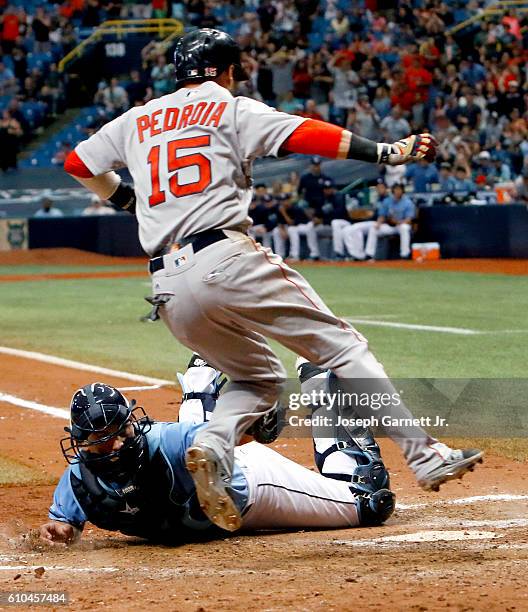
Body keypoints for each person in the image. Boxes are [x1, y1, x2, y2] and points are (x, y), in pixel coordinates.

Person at [63, 28, 482, 532]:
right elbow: (306, 134)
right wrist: (389, 152)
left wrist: (127, 200)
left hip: (166, 284)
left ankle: (213, 444)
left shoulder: (138, 118)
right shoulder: (230, 107)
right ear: (226, 69)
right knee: (343, 348)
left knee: (258, 379)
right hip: (225, 255)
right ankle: (424, 453)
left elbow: (77, 163)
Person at [39, 360, 395, 544]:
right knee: (194, 458)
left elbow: (223, 436)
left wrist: (255, 425)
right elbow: (60, 525)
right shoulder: (79, 481)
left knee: (370, 505)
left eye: (121, 432)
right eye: (102, 439)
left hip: (253, 487)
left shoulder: (166, 440)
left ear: (132, 423)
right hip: (203, 491)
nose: (115, 444)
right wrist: (57, 533)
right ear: (82, 441)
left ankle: (325, 398)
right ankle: (201, 379)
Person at [364, 183, 414, 260]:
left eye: (399, 189)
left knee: (404, 228)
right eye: (396, 189)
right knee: (374, 228)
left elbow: (409, 219)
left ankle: (405, 254)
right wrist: (378, 223)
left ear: (402, 191)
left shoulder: (408, 202)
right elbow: (382, 215)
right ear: (393, 190)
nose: (397, 191)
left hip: (401, 225)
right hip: (390, 226)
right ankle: (369, 254)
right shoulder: (387, 201)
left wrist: (398, 222)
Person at [342, 180, 389, 261]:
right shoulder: (377, 199)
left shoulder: (389, 199)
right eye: (378, 187)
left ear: (386, 188)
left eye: (381, 187)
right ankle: (357, 254)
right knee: (349, 230)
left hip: (383, 224)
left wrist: (375, 217)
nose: (379, 189)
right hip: (372, 222)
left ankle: (365, 255)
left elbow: (386, 215)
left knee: (356, 228)